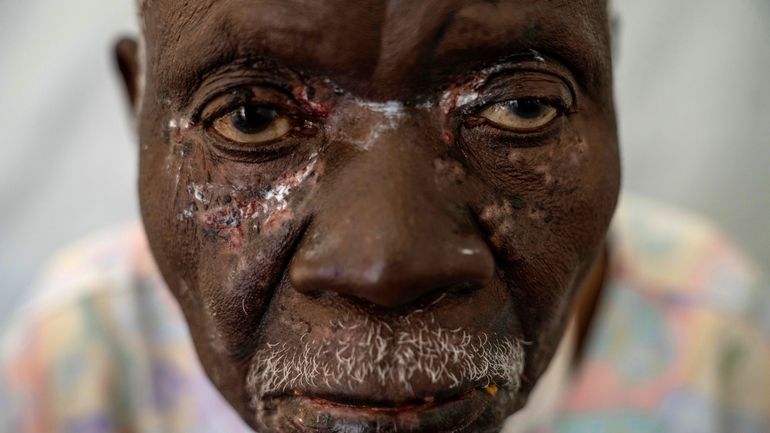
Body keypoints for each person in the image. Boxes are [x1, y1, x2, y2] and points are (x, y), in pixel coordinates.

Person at [1, 0, 768, 432]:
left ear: (608, 92)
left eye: (520, 106)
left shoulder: (715, 346)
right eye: (249, 116)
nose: (387, 263)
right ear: (141, 110)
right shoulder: (79, 365)